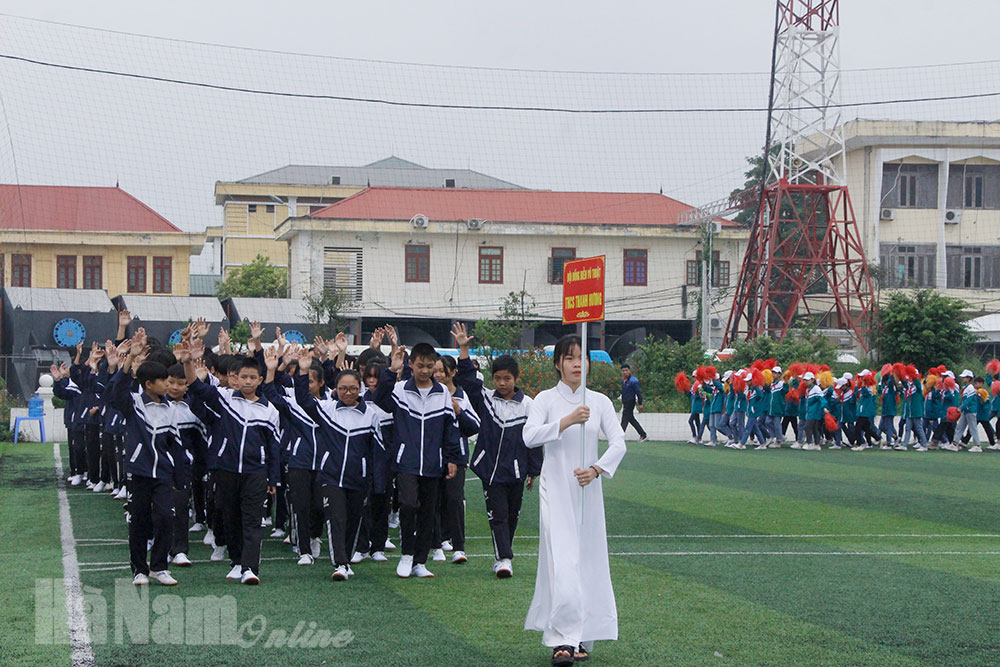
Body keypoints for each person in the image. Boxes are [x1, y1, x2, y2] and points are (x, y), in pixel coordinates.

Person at [523, 334, 627, 665]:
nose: (577, 364)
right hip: (555, 490)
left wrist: (596, 469)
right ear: (557, 364)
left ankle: (579, 635)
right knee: (562, 561)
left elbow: (619, 443)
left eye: (582, 357)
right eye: (569, 358)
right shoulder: (544, 400)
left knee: (588, 561)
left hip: (587, 492)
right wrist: (568, 421)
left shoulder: (599, 402)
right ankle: (561, 641)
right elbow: (529, 436)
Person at [180, 340, 281, 585]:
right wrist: (187, 363)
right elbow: (196, 388)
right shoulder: (225, 399)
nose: (247, 381)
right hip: (225, 469)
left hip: (255, 473)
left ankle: (250, 568)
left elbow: (274, 447)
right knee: (231, 518)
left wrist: (274, 478)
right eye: (243, 376)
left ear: (259, 380)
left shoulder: (270, 411)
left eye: (252, 377)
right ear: (236, 378)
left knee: (252, 520)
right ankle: (236, 562)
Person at [452, 322, 541, 578]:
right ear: (493, 379)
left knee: (512, 515)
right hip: (490, 469)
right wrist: (464, 350)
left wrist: (533, 470)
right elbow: (467, 382)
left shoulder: (529, 406)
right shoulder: (486, 399)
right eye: (498, 378)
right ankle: (504, 559)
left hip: (516, 471)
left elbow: (534, 440)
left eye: (507, 378)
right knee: (498, 515)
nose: (502, 383)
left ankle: (503, 553)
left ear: (516, 379)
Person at [287, 348, 383, 581]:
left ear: (360, 388)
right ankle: (339, 563)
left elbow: (378, 452)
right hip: (331, 477)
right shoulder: (327, 410)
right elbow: (303, 400)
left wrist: (376, 483)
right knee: (336, 518)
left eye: (352, 388)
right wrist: (302, 370)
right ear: (335, 389)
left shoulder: (370, 414)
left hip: (358, 480)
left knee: (352, 521)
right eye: (342, 389)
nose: (347, 393)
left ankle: (347, 559)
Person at [374, 341, 462, 579]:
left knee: (427, 512)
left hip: (433, 463)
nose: (425, 371)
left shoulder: (442, 392)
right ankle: (406, 555)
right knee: (409, 504)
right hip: (406, 461)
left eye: (429, 366)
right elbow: (380, 399)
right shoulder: (401, 389)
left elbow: (449, 427)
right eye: (420, 365)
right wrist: (390, 371)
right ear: (411, 364)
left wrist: (452, 457)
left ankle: (420, 562)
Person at [104, 329, 181, 586]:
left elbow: (174, 443)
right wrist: (129, 360)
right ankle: (139, 569)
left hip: (163, 474)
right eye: (164, 381)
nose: (169, 385)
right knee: (139, 520)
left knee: (166, 517)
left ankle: (159, 567)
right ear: (149, 384)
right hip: (140, 471)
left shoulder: (170, 409)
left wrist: (179, 473)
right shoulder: (134, 403)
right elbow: (115, 392)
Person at [430, 354, 479, 565]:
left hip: (456, 457)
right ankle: (437, 545)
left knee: (454, 500)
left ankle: (458, 546)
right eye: (436, 371)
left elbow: (474, 426)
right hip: (430, 456)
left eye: (442, 370)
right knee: (432, 500)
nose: (438, 375)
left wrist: (459, 411)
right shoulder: (428, 394)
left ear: (452, 373)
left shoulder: (461, 396)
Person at [619, 364, 647, 441]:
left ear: (629, 371)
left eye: (626, 370)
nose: (625, 372)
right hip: (625, 402)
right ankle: (643, 434)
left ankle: (619, 436)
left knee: (624, 419)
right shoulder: (623, 380)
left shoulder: (634, 381)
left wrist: (640, 403)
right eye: (623, 371)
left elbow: (638, 392)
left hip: (630, 402)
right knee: (631, 419)